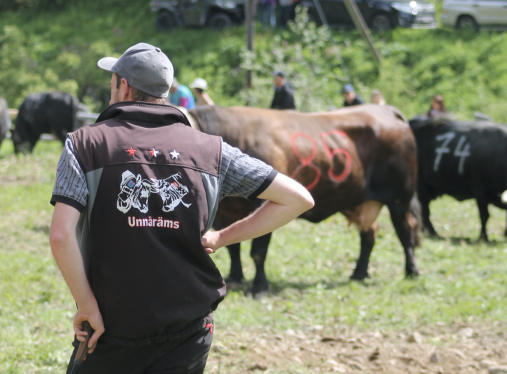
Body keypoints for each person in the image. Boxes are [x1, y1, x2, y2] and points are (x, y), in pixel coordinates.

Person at [49, 43, 314, 374]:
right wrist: (222, 238)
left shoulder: (84, 144)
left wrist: (87, 306)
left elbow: (61, 235)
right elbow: (298, 198)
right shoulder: (212, 151)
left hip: (109, 327)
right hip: (189, 330)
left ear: (123, 86)